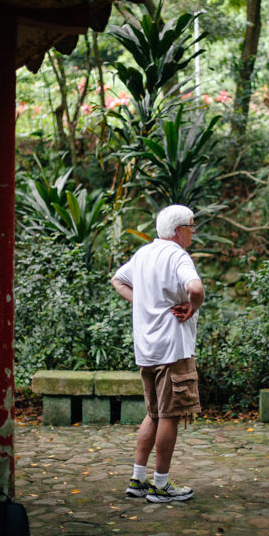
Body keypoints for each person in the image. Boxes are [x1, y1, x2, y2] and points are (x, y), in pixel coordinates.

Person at [111, 204, 205, 503]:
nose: (193, 231)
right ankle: (161, 485)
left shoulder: (144, 253)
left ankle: (138, 479)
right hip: (172, 350)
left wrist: (143, 302)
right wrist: (193, 306)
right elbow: (196, 288)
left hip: (147, 350)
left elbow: (118, 280)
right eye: (191, 226)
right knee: (170, 416)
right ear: (178, 230)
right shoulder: (178, 255)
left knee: (153, 414)